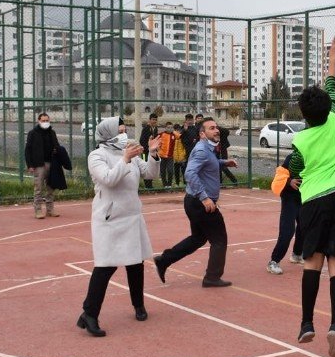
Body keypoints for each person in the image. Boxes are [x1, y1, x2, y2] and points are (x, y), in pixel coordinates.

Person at [287, 37, 335, 357]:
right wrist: (333, 58)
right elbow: (332, 87)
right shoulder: (334, 117)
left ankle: (306, 323)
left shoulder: (301, 140)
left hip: (315, 200)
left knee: (312, 262)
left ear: (303, 114)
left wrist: (296, 179)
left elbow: (294, 170)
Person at [77, 117, 161, 337]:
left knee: (136, 263)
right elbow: (109, 179)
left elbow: (151, 174)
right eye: (120, 131)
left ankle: (139, 305)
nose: (124, 135)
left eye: (125, 130)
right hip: (110, 219)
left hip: (132, 215)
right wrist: (124, 158)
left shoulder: (130, 153)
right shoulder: (97, 156)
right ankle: (90, 314)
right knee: (105, 267)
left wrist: (152, 154)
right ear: (108, 134)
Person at [154, 117, 238, 288]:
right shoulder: (202, 150)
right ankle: (212, 277)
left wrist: (223, 162)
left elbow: (207, 165)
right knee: (219, 240)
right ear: (202, 134)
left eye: (217, 128)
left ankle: (164, 260)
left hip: (193, 202)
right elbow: (190, 174)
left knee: (198, 238)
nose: (216, 131)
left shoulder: (207, 149)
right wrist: (205, 197)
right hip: (200, 203)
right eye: (211, 128)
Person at [266, 152, 303, 275]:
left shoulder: (315, 157)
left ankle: (297, 255)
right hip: (289, 196)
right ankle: (274, 261)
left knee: (305, 226)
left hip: (304, 196)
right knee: (288, 231)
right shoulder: (292, 157)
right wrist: (289, 181)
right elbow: (279, 176)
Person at [24, 112, 60, 219]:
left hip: (51, 163)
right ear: (38, 121)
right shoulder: (33, 133)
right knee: (38, 188)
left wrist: (56, 152)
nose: (45, 122)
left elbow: (57, 145)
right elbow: (28, 150)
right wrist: (30, 165)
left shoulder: (52, 132)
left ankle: (50, 209)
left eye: (47, 120)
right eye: (43, 121)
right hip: (38, 164)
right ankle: (38, 210)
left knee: (50, 188)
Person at [139, 113, 159, 190]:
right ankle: (147, 185)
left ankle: (150, 184)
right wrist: (147, 148)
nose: (154, 121)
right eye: (153, 119)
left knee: (151, 166)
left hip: (152, 152)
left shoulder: (155, 129)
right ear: (149, 120)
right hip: (145, 152)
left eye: (155, 120)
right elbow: (141, 140)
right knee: (145, 165)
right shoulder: (146, 129)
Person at [156, 121, 177, 188]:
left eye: (171, 127)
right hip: (162, 156)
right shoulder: (161, 134)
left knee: (170, 170)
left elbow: (180, 137)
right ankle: (164, 184)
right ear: (165, 128)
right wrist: (158, 151)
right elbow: (157, 143)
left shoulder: (174, 135)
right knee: (162, 171)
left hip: (170, 156)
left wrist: (175, 131)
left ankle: (169, 184)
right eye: (168, 127)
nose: (170, 129)